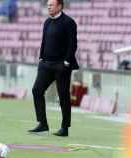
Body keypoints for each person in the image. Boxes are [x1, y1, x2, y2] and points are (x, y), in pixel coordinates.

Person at [28, 0, 79, 137]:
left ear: (60, 6)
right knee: (37, 90)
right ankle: (42, 124)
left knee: (63, 96)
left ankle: (64, 127)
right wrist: (41, 58)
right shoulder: (47, 22)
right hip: (46, 64)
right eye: (48, 5)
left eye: (51, 5)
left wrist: (67, 62)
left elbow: (73, 44)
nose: (49, 7)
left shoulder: (69, 22)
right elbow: (43, 41)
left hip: (61, 65)